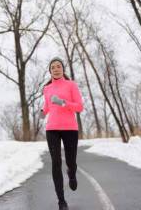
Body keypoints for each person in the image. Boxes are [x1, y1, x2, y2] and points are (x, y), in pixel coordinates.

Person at [40, 57, 84, 210]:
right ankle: (61, 201)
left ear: (63, 69)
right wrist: (42, 112)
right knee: (56, 162)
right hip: (52, 129)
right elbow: (47, 106)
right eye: (53, 67)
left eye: (59, 66)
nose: (56, 69)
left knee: (71, 161)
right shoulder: (47, 89)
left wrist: (63, 103)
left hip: (70, 128)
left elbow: (79, 107)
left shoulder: (71, 85)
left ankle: (72, 173)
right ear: (50, 71)